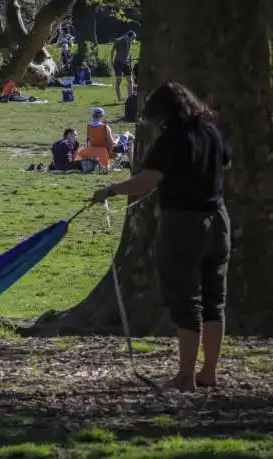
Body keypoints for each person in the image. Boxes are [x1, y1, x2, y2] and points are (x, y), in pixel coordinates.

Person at [91, 82, 232, 391]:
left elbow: (146, 181)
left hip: (183, 224)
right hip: (219, 222)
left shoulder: (172, 140)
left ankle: (185, 376)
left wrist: (110, 191)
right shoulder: (212, 132)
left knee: (186, 299)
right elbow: (225, 164)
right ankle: (208, 371)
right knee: (213, 300)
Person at [110, 31, 136, 101]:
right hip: (118, 63)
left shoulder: (129, 42)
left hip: (126, 63)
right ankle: (119, 98)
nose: (132, 41)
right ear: (127, 36)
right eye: (131, 39)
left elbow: (127, 52)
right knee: (119, 80)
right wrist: (111, 62)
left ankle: (130, 98)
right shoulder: (119, 41)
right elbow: (112, 51)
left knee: (130, 81)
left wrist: (129, 59)